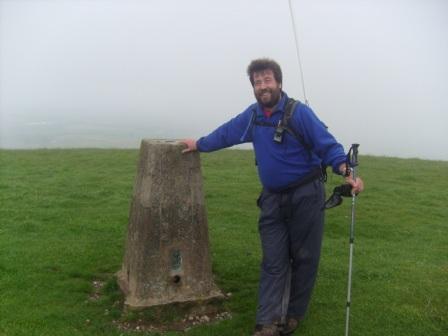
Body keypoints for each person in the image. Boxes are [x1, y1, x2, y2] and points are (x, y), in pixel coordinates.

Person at [181, 58, 364, 336]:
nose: (262, 86)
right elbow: (227, 133)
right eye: (257, 82)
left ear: (279, 82)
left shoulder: (299, 113)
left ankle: (293, 314)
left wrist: (344, 170)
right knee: (274, 260)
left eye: (267, 80)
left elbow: (327, 145)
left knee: (304, 258)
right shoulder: (253, 116)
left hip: (307, 196)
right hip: (272, 199)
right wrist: (200, 144)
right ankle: (267, 323)